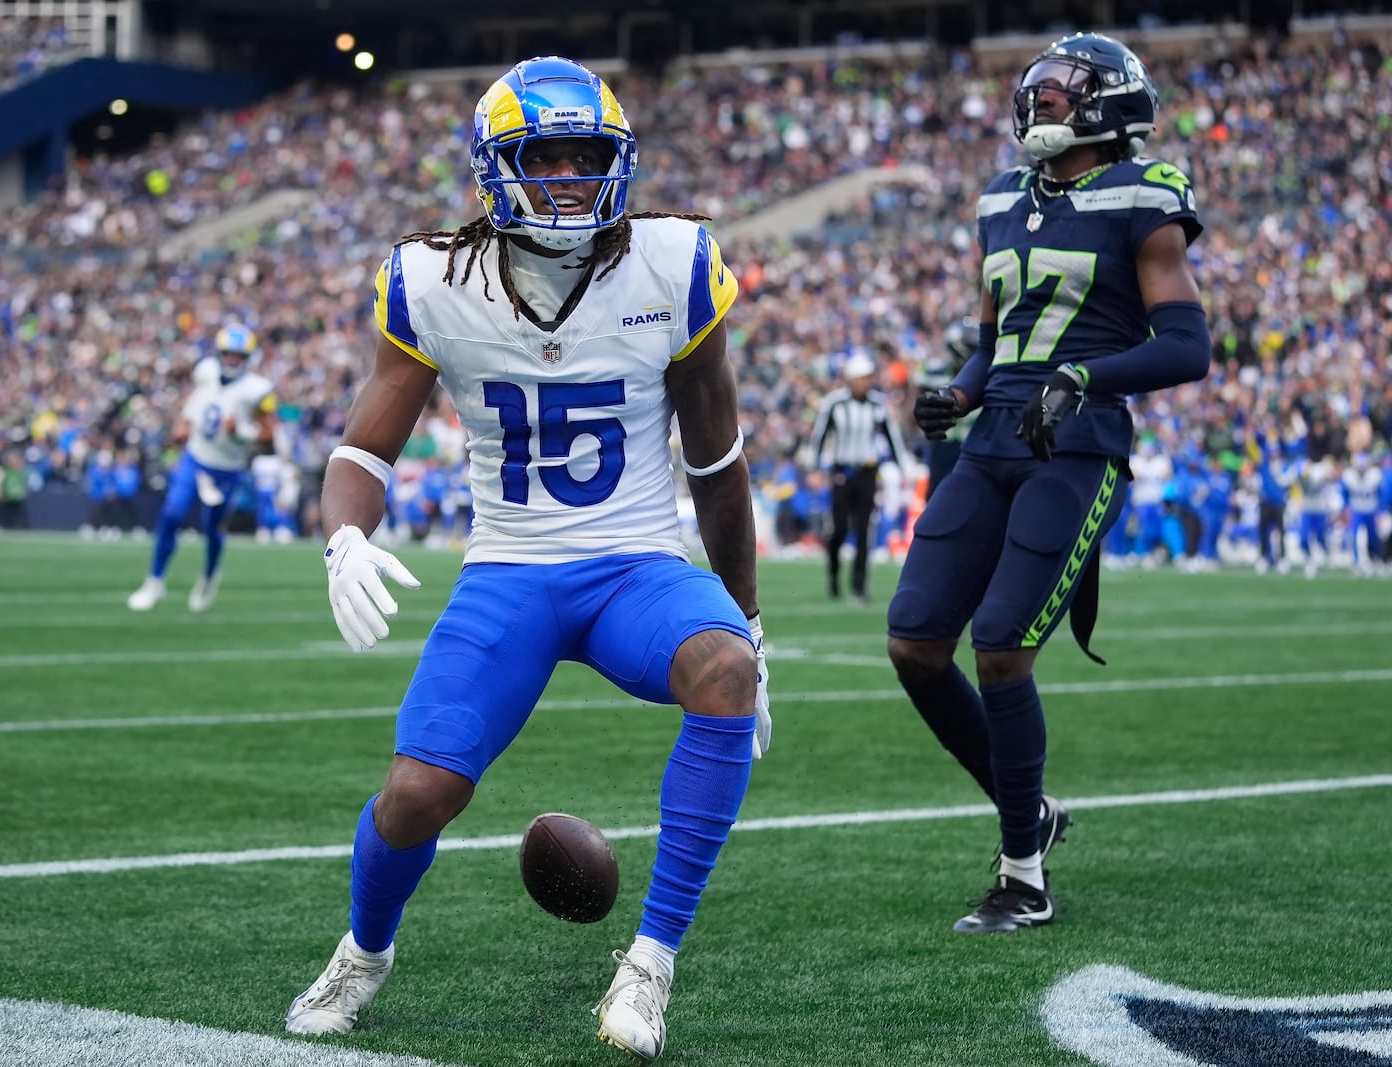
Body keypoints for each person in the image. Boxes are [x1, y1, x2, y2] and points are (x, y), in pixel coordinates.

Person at [283, 56, 770, 1064]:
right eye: (540, 158)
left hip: (636, 561)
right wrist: (345, 532)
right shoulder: (432, 278)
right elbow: (361, 449)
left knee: (723, 667)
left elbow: (718, 467)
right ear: (495, 169)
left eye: (582, 157)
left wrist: (750, 623)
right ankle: (364, 949)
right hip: (508, 568)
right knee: (419, 792)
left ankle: (649, 962)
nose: (562, 179)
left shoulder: (672, 264)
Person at [889, 33, 1210, 933]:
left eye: (1063, 94)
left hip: (1078, 445)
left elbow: (1189, 346)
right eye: (1038, 93)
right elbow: (998, 339)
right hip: (991, 441)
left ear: (1110, 105)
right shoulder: (1001, 198)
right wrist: (960, 387)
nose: (1042, 106)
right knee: (914, 642)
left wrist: (1084, 379)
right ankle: (1030, 808)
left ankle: (1023, 875)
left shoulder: (1142, 198)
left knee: (1001, 647)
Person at [127, 323, 275, 612]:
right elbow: (197, 401)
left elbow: (270, 437)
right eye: (228, 354)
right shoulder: (206, 370)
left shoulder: (258, 390)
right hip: (195, 457)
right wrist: (184, 424)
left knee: (212, 528)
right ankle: (154, 581)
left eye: (238, 355)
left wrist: (241, 431)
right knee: (171, 514)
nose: (232, 360)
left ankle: (208, 575)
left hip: (226, 468)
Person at [807, 349, 910, 603]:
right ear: (850, 378)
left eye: (867, 377)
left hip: (867, 471)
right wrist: (814, 468)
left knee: (864, 530)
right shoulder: (834, 403)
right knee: (840, 528)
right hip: (842, 470)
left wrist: (903, 467)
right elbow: (819, 436)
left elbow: (892, 438)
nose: (864, 382)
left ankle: (859, 586)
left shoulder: (878, 404)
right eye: (860, 377)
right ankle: (833, 577)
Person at [913, 316, 981, 500]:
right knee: (937, 499)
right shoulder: (934, 374)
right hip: (944, 445)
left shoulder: (985, 376)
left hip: (974, 446)